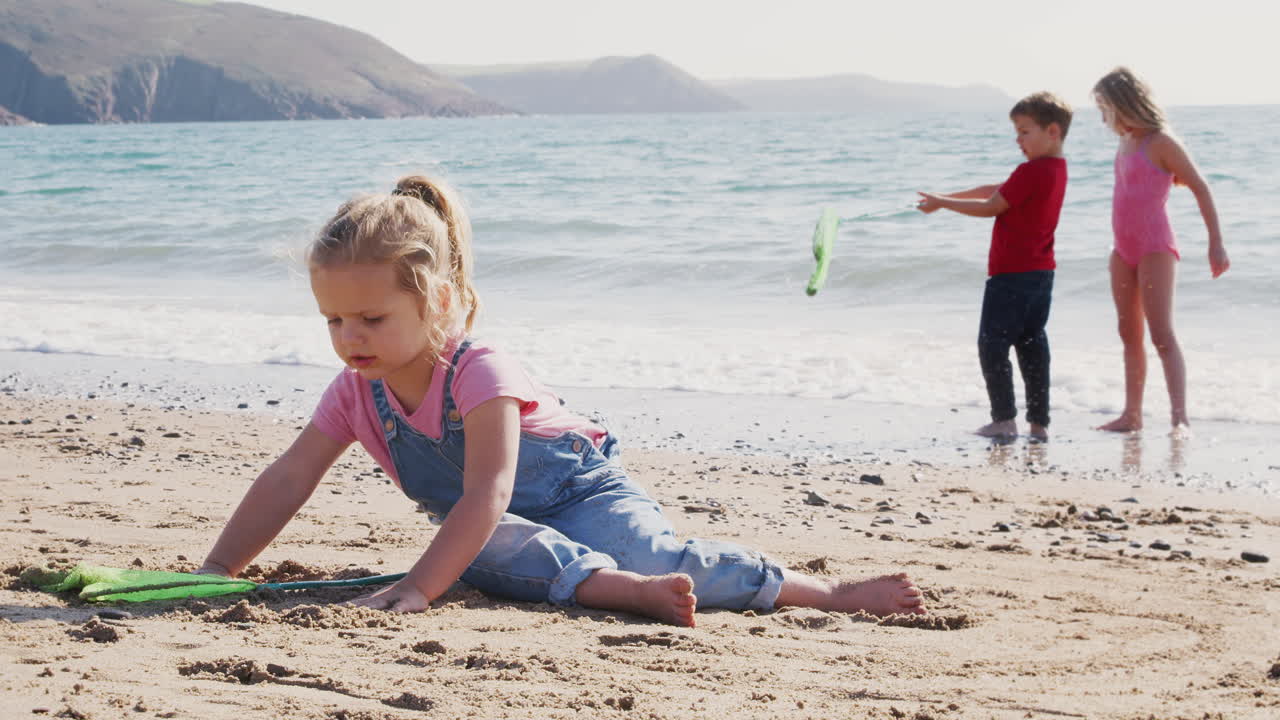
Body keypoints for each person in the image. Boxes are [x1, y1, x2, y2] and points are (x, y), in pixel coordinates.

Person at [197, 175, 926, 626]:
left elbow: (490, 487)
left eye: (372, 319)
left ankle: (824, 593)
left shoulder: (478, 371)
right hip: (491, 525)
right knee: (486, 544)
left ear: (438, 301)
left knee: (658, 552)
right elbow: (290, 477)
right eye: (334, 320)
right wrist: (216, 570)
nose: (350, 337)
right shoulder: (356, 392)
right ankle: (624, 593)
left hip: (581, 493)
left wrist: (420, 589)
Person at [916, 92, 1073, 442]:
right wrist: (944, 197)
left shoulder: (1031, 171)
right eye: (1016, 132)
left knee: (993, 344)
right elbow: (996, 190)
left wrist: (943, 204)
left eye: (1024, 132)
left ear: (1052, 131)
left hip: (1011, 275)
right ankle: (1039, 423)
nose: (1018, 140)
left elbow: (991, 206)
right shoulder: (1054, 169)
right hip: (1041, 275)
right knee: (1033, 345)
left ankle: (1003, 420)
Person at [1091, 67, 1229, 434]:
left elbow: (1200, 187)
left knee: (1161, 334)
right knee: (1128, 332)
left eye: (1105, 107)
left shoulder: (1162, 142)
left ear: (1124, 104)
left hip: (1155, 247)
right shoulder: (1125, 141)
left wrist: (1215, 243)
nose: (1103, 116)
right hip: (1122, 248)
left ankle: (1179, 417)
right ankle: (1131, 414)